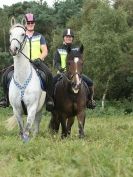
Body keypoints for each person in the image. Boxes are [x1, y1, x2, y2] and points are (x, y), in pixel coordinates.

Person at [0, 13, 54, 111]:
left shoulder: (40, 36)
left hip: (37, 62)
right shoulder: (21, 35)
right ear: (25, 23)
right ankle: (5, 98)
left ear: (34, 23)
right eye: (28, 22)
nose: (30, 24)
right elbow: (15, 48)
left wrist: (40, 58)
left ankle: (49, 99)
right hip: (22, 63)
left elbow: (45, 51)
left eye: (32, 22)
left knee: (49, 74)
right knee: (5, 75)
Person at [53, 28, 96, 109]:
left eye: (70, 37)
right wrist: (60, 68)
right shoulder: (59, 49)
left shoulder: (76, 49)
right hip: (62, 73)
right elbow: (56, 62)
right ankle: (51, 101)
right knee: (51, 83)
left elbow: (80, 60)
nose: (68, 38)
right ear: (64, 38)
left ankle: (90, 101)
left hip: (75, 74)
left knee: (90, 83)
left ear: (72, 38)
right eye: (67, 36)